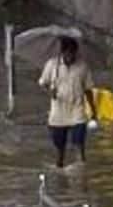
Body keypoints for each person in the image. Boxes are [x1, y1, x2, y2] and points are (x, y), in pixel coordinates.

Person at [38, 36, 97, 168]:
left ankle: (81, 174)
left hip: (78, 112)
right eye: (68, 52)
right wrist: (50, 92)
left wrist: (94, 111)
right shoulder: (52, 65)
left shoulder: (83, 67)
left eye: (73, 52)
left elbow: (88, 90)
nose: (71, 56)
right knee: (60, 151)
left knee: (79, 146)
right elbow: (43, 83)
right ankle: (60, 175)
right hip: (58, 114)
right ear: (62, 52)